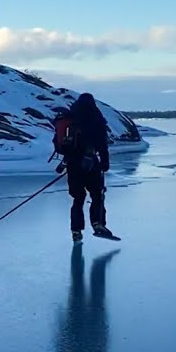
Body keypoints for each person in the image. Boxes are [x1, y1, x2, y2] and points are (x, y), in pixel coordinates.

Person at [53, 93, 118, 242]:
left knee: (78, 198)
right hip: (90, 164)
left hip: (72, 164)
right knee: (97, 195)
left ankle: (76, 230)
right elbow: (102, 142)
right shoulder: (95, 117)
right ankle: (98, 223)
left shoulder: (69, 117)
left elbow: (58, 142)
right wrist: (105, 161)